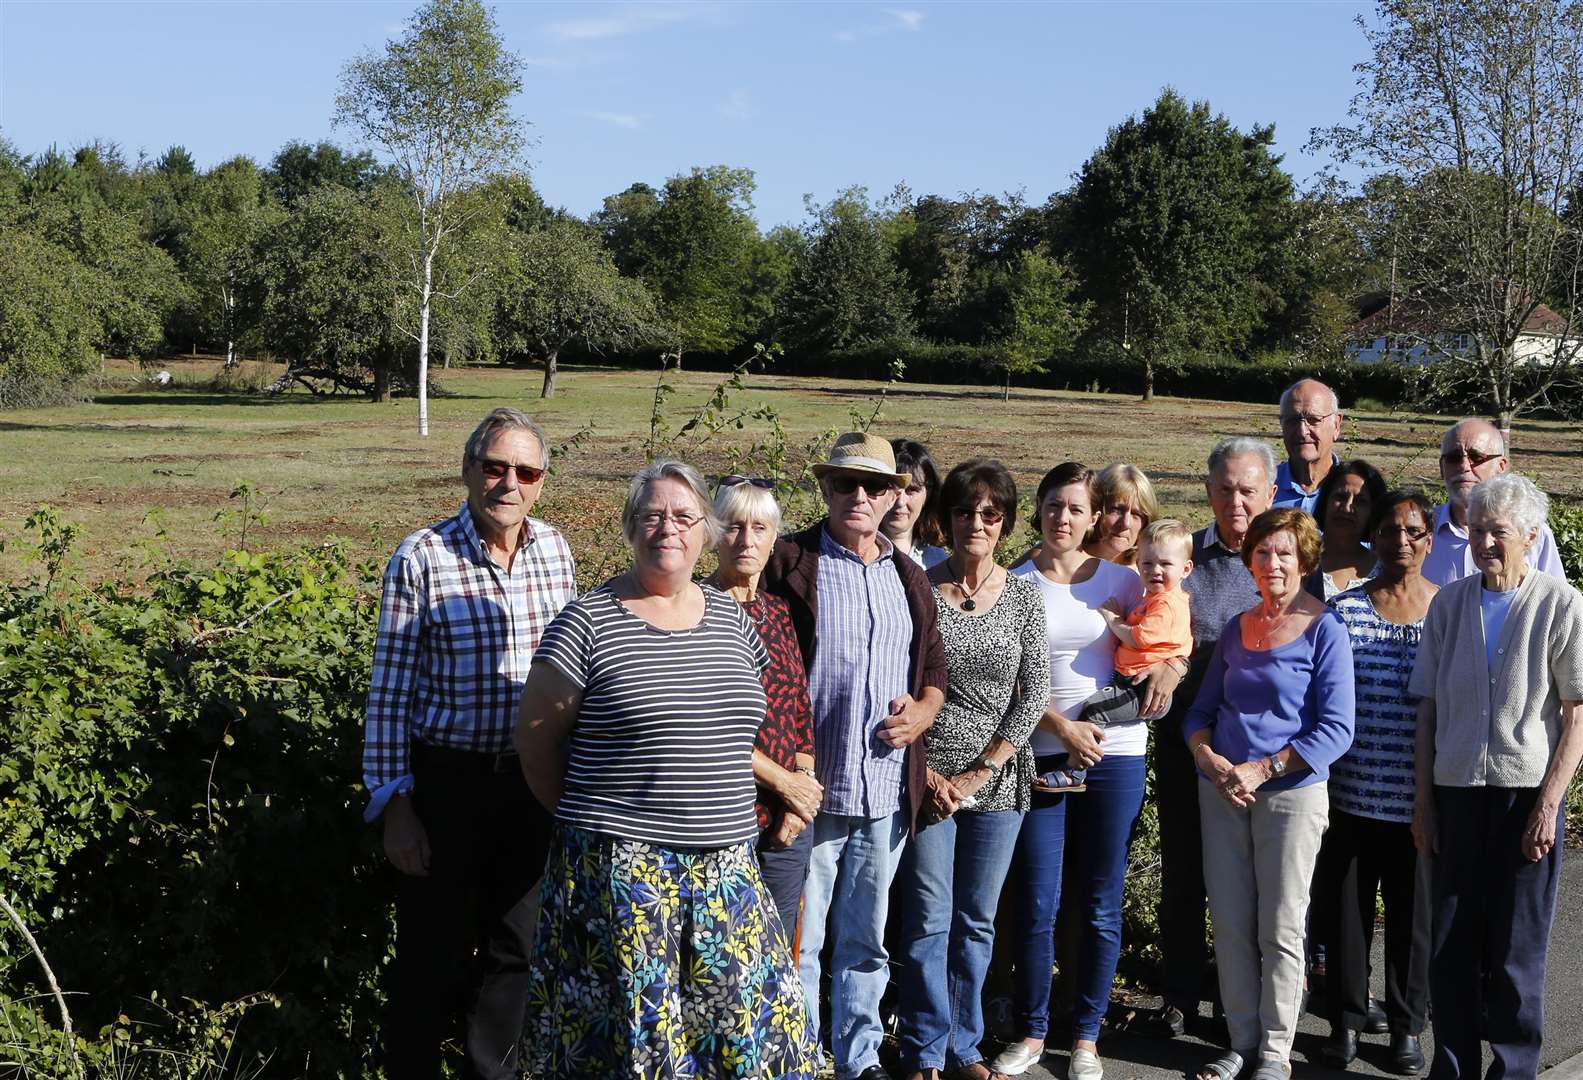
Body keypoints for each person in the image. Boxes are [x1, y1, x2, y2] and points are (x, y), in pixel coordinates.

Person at [515, 460, 816, 1079]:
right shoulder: (586, 622)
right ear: (630, 529)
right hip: (622, 879)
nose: (667, 528)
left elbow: (737, 728)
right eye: (651, 515)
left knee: (747, 1039)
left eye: (683, 516)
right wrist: (600, 830)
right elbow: (537, 745)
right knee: (633, 1048)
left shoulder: (735, 622)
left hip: (727, 872)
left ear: (705, 530)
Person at [362, 407, 576, 1080]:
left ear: (541, 482)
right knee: (431, 953)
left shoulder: (555, 551)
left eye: (525, 471)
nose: (507, 483)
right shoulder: (421, 555)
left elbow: (571, 679)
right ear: (468, 470)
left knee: (517, 950)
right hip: (446, 783)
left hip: (531, 783)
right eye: (494, 467)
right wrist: (394, 804)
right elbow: (389, 692)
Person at [762, 432, 947, 1080]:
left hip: (885, 793)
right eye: (845, 484)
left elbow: (933, 667)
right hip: (809, 794)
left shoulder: (908, 575)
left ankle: (857, 1058)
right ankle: (800, 1055)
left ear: (895, 495)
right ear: (825, 489)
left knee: (866, 942)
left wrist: (925, 709)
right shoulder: (789, 564)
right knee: (800, 943)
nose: (859, 497)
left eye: (873, 486)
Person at [993, 463, 1184, 1080]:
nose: (1063, 519)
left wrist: (1171, 669)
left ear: (1093, 516)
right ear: (1040, 509)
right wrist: (1062, 728)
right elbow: (1007, 683)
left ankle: (1086, 1038)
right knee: (1037, 902)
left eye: (1076, 509)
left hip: (1115, 756)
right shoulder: (1016, 581)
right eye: (1053, 506)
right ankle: (1031, 1030)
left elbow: (1171, 636)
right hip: (1042, 754)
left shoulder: (1124, 581)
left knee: (1100, 902)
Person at [1409, 473, 1583, 1080]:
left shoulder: (1562, 604)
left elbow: (1576, 715)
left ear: (1532, 536)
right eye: (1477, 530)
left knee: (1516, 948)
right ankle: (1451, 1067)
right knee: (1451, 942)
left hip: (1524, 796)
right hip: (1456, 792)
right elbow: (1427, 708)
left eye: (1498, 532)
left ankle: (1513, 1070)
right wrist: (1423, 803)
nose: (1485, 543)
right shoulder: (1449, 604)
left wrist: (1548, 806)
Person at [1184, 507, 1356, 1080]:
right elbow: (1201, 713)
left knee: (1280, 926)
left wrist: (1263, 769)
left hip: (1291, 795)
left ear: (1304, 560)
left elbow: (1337, 728)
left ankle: (1277, 1050)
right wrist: (1207, 757)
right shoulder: (1236, 627)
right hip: (1223, 792)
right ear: (1249, 560)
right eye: (1262, 552)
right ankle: (1241, 1040)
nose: (1273, 562)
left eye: (1284, 552)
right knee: (1231, 921)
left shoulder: (1325, 629)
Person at [893, 458, 1051, 1080]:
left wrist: (980, 772)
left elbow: (1032, 693)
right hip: (926, 777)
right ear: (946, 518)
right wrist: (928, 773)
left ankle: (963, 1044)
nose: (976, 524)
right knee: (928, 917)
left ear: (1006, 523)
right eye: (965, 512)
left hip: (997, 780)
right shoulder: (920, 588)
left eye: (990, 514)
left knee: (976, 920)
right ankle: (924, 1048)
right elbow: (900, 683)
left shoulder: (1023, 595)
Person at [1149, 437, 1275, 1037]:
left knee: (1246, 884)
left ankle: (1237, 997)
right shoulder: (1183, 561)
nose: (1236, 501)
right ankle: (1181, 991)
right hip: (1185, 746)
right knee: (1184, 875)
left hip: (1256, 758)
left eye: (1248, 490)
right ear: (1208, 491)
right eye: (1224, 488)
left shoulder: (1283, 561)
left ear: (1270, 494)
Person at [1314, 489, 1439, 1074]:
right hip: (1349, 795)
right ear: (1375, 537)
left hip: (1419, 799)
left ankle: (1406, 1027)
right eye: (1391, 530)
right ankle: (1344, 1020)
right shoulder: (1345, 610)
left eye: (1415, 531)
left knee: (1413, 919)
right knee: (1346, 916)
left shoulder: (1448, 610)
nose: (1402, 542)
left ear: (1430, 540)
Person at [706, 475, 822, 934]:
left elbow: (799, 707)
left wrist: (800, 796)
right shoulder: (696, 609)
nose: (746, 540)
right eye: (734, 526)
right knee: (721, 950)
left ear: (774, 538)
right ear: (714, 533)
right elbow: (707, 724)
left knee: (776, 951)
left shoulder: (777, 610)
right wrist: (784, 783)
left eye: (759, 528)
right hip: (723, 813)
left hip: (786, 816)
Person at [1041, 518, 1194, 789]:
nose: (1155, 570)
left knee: (1093, 711)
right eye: (1147, 563)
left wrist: (1114, 620)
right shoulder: (1156, 599)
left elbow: (1139, 637)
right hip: (1133, 681)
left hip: (1141, 687)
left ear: (1186, 569)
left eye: (1165, 564)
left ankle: (1075, 771)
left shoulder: (1166, 604)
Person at [1420, 419, 1568, 587]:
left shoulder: (1531, 532)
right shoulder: (1418, 531)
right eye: (1454, 458)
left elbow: (1555, 600)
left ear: (1501, 466)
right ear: (1442, 468)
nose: (1464, 466)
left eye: (1476, 457)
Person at [1306, 460, 1386, 600]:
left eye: (1360, 501)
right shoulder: (1301, 561)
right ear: (1325, 502)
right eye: (1340, 497)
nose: (1347, 507)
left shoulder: (1384, 569)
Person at [1273, 378, 1343, 515]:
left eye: (1313, 420)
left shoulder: (1357, 493)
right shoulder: (1262, 487)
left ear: (1336, 425)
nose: (1302, 431)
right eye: (1292, 420)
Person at [884, 438, 951, 569]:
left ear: (928, 494)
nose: (900, 501)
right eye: (892, 488)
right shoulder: (855, 555)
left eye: (911, 490)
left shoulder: (938, 562)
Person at [1085, 463, 1161, 566]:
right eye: (1116, 510)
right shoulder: (1063, 564)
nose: (1126, 523)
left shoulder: (1148, 577)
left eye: (1136, 514)